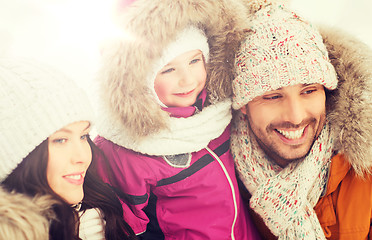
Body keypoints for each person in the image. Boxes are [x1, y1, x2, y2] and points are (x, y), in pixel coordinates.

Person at [93, 0, 260, 239]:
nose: (187, 80)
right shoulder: (125, 150)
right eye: (168, 70)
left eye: (194, 61)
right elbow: (126, 230)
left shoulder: (218, 111)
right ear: (138, 80)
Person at [230, 2, 372, 240]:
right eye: (273, 96)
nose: (296, 117)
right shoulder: (218, 184)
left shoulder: (365, 171)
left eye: (308, 91)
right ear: (243, 104)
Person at [0, 59, 136, 240]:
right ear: (16, 153)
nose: (82, 157)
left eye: (83, 136)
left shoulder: (102, 213)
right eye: (60, 140)